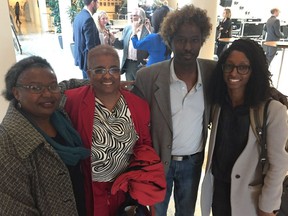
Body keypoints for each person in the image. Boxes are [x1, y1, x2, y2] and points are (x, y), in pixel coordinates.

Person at [63, 45, 166, 216]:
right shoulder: (73, 101)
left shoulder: (138, 106)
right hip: (91, 189)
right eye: (99, 70)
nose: (107, 75)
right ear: (88, 74)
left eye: (113, 69)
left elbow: (145, 145)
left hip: (126, 190)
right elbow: (50, 91)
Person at [133, 4, 215, 216]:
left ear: (202, 40)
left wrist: (269, 92)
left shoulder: (211, 72)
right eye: (181, 40)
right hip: (158, 162)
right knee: (156, 212)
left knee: (186, 212)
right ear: (170, 40)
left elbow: (244, 81)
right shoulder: (148, 77)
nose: (188, 47)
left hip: (193, 162)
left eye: (194, 40)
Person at [201, 38, 288, 216]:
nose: (234, 73)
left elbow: (278, 164)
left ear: (254, 71)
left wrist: (267, 205)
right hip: (219, 190)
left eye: (243, 67)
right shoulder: (219, 104)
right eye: (229, 66)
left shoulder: (272, 110)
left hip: (250, 197)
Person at [0, 56, 89, 215]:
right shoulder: (7, 144)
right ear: (17, 93)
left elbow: (68, 85)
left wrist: (104, 81)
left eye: (51, 85)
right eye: (35, 88)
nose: (47, 94)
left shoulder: (58, 114)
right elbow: (16, 210)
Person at [107, 7, 150, 81]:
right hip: (128, 64)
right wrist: (113, 39)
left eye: (135, 15)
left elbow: (150, 47)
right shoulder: (127, 29)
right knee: (129, 88)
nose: (132, 17)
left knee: (141, 88)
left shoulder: (148, 31)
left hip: (141, 64)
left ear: (141, 18)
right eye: (131, 15)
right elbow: (122, 45)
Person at [73, 0, 101, 79]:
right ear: (93, 2)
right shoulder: (88, 19)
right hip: (89, 63)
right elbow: (91, 46)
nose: (98, 6)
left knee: (86, 83)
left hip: (81, 59)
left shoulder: (78, 16)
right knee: (91, 86)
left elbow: (74, 38)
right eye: (97, 3)